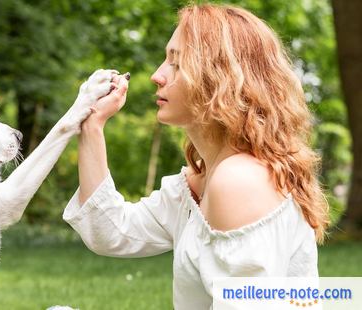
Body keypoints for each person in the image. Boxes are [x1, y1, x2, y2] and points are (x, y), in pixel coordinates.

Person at [63, 3, 330, 309]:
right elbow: (111, 232)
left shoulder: (239, 181)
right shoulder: (201, 182)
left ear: (219, 78)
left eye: (175, 63)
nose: (156, 75)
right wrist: (93, 126)